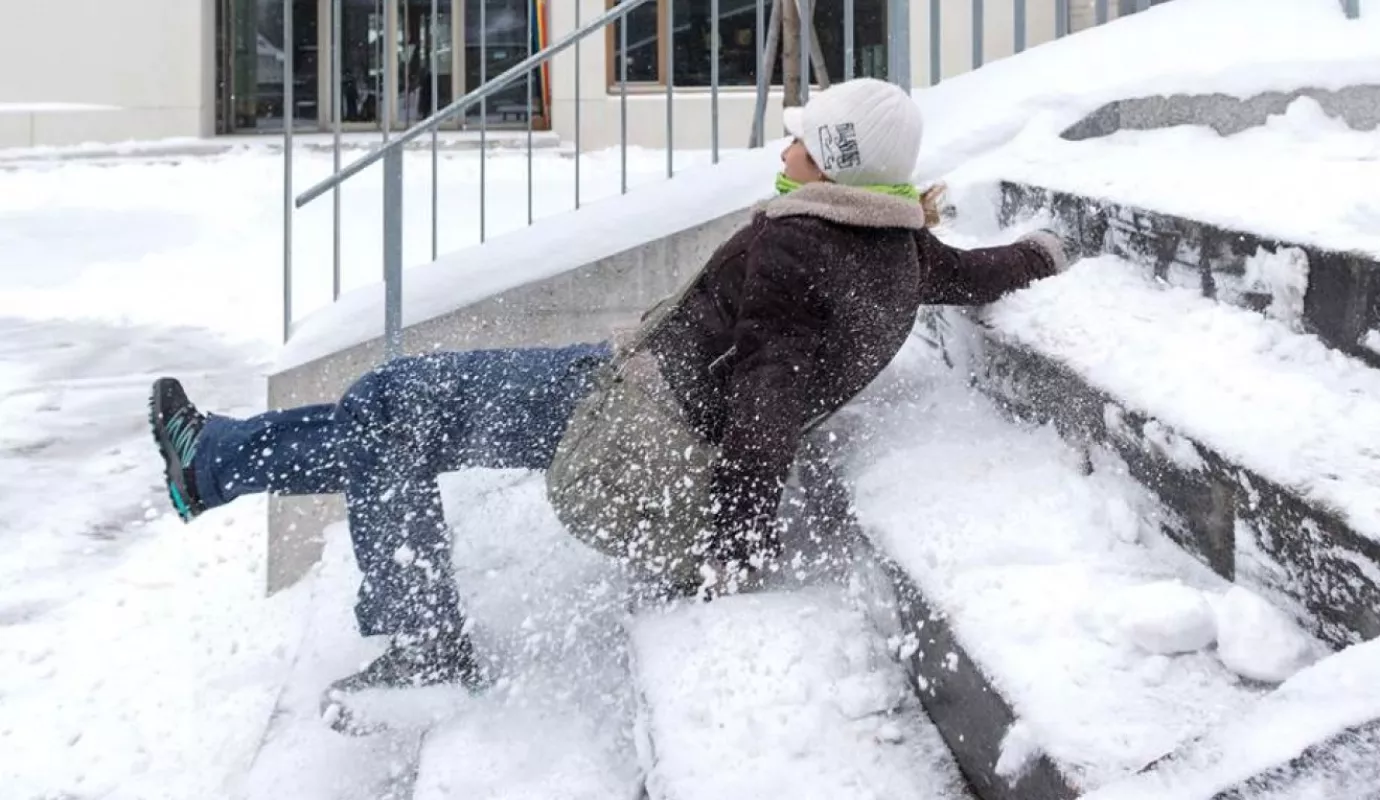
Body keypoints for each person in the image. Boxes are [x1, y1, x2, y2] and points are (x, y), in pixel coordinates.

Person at [148, 78, 1069, 707]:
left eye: (800, 134)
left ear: (831, 156)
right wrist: (1040, 256)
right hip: (630, 383)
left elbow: (766, 407)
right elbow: (969, 273)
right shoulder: (890, 243)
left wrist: (734, 550)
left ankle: (419, 642)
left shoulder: (803, 250)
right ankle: (218, 465)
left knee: (392, 406)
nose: (783, 143)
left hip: (629, 414)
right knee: (390, 410)